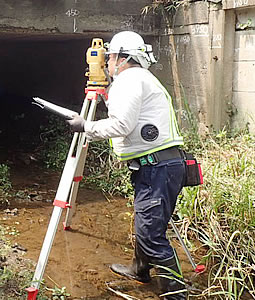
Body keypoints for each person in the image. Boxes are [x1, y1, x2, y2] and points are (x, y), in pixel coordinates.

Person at [67, 31, 187, 300]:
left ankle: (177, 295)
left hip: (156, 168)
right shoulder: (141, 79)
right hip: (160, 165)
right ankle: (140, 269)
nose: (107, 63)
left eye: (109, 57)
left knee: (151, 233)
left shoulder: (129, 80)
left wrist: (86, 126)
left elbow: (122, 124)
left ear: (122, 58)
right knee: (148, 222)